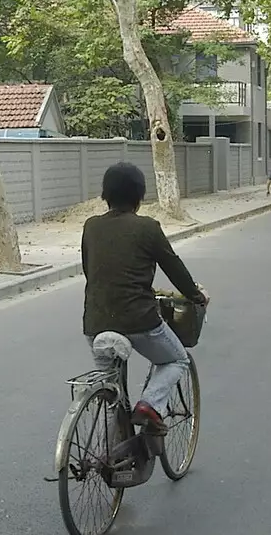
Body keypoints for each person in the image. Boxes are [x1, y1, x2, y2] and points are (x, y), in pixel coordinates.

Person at [81, 162, 208, 432]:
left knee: (111, 390)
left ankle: (112, 451)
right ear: (140, 196)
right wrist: (196, 296)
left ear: (106, 195)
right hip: (139, 321)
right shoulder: (148, 227)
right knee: (177, 360)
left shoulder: (90, 226)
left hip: (95, 323)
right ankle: (149, 404)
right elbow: (174, 268)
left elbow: (89, 271)